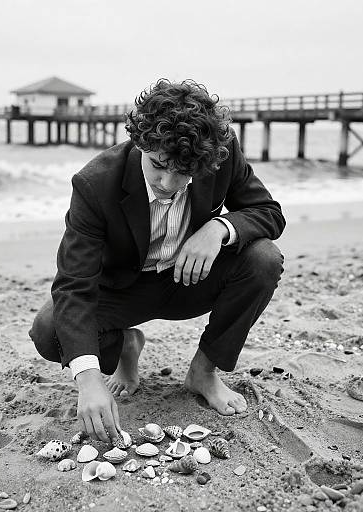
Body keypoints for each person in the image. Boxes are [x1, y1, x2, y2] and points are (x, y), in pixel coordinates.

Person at [29, 79, 285, 445]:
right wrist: (88, 381)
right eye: (158, 165)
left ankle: (203, 372)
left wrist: (219, 228)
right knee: (48, 328)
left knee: (264, 258)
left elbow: (269, 213)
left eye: (184, 172)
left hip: (191, 279)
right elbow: (74, 283)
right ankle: (126, 348)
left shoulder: (221, 153)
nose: (168, 182)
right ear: (141, 142)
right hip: (123, 290)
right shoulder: (94, 184)